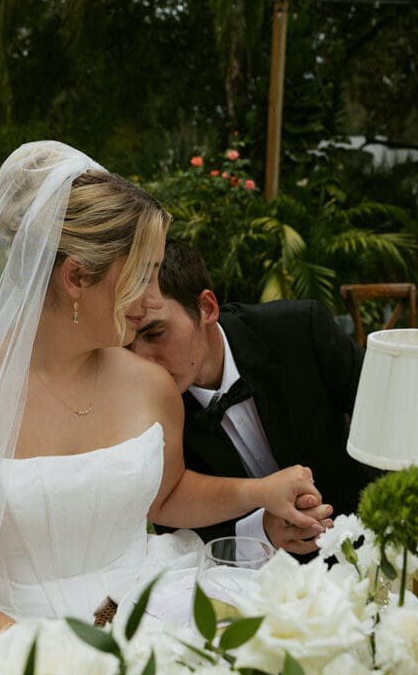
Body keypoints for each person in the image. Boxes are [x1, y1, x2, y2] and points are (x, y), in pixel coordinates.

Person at [0, 143, 322, 640]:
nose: (152, 299)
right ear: (76, 277)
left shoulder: (150, 384)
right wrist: (40, 654)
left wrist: (259, 492)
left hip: (152, 608)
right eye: (143, 275)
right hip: (9, 637)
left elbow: (165, 497)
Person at [131, 238, 378, 556]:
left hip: (367, 542)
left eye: (154, 334)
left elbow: (389, 419)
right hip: (240, 574)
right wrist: (261, 532)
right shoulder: (139, 402)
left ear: (207, 308)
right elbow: (176, 533)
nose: (141, 359)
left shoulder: (300, 329)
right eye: (127, 342)